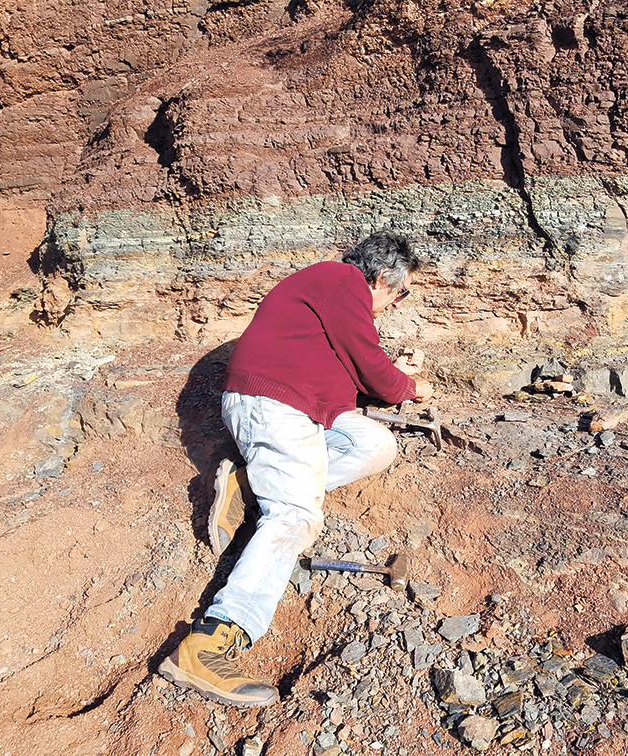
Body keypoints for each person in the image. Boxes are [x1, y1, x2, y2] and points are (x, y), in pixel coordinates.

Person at [159, 230, 432, 706]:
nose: (397, 303)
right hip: (273, 407)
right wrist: (409, 385)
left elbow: (354, 380)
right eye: (401, 292)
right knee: (294, 517)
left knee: (374, 444)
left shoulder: (325, 302)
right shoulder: (342, 280)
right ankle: (211, 640)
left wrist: (391, 376)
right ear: (384, 277)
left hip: (294, 410)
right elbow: (372, 367)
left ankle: (247, 487)